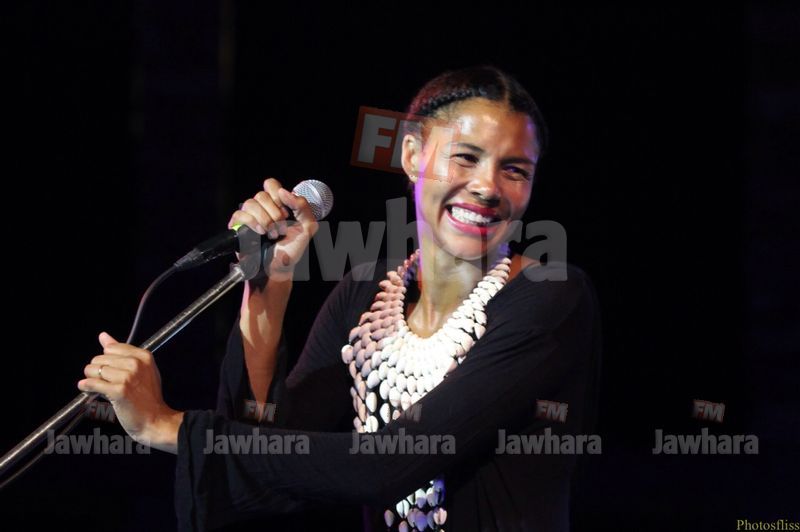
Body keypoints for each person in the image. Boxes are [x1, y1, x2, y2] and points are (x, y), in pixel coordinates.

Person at [78, 65, 602, 531]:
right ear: (412, 155)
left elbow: (384, 464)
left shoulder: (551, 297)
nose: (488, 187)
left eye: (515, 170)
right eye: (466, 158)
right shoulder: (366, 294)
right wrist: (268, 287)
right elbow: (271, 453)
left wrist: (167, 425)